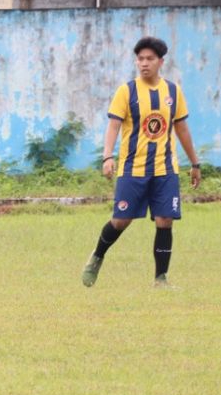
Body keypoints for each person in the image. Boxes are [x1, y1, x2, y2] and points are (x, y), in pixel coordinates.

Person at [81, 35, 201, 289]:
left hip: (165, 168)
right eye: (140, 59)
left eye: (149, 59)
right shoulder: (127, 91)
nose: (144, 63)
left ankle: (160, 279)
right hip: (132, 168)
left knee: (164, 219)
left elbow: (182, 130)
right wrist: (107, 156)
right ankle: (97, 256)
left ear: (160, 62)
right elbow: (113, 125)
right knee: (121, 221)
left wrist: (195, 163)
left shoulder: (172, 91)